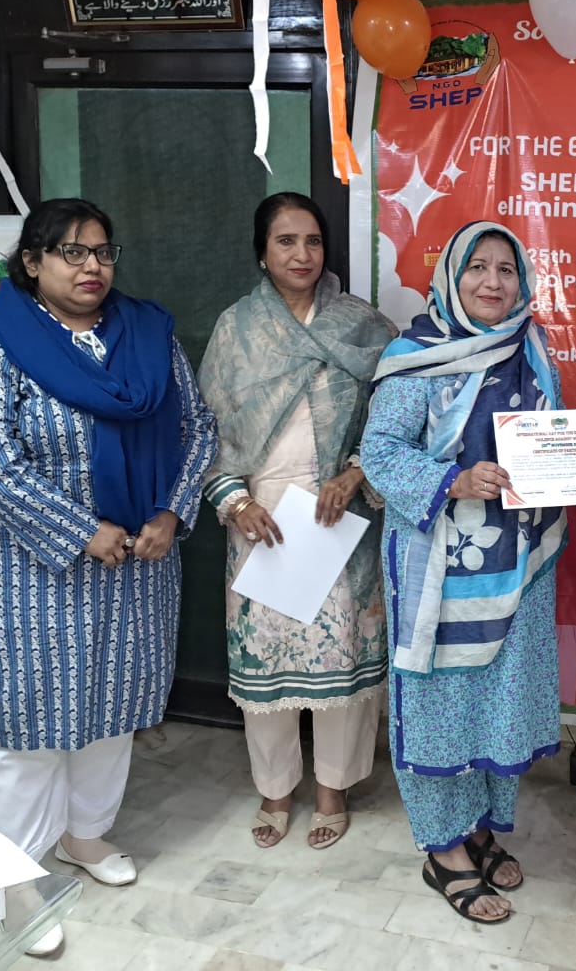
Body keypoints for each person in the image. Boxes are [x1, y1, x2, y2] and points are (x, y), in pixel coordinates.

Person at [0, 199, 217, 957]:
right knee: (28, 722)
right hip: (21, 566)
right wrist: (77, 529)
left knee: (114, 703)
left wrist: (171, 511)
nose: (91, 266)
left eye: (101, 251)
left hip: (136, 559)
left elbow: (197, 429)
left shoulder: (149, 336)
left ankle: (85, 835)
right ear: (31, 263)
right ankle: (15, 879)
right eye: (71, 252)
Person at [359, 220, 568, 925]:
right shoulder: (414, 356)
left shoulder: (531, 346)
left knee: (498, 698)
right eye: (477, 266)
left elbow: (548, 440)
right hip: (439, 569)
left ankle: (481, 826)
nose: (492, 282)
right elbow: (380, 454)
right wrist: (451, 480)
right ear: (451, 275)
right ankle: (444, 850)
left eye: (506, 269)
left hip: (520, 563)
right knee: (441, 701)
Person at [196, 193, 395, 851]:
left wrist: (356, 473)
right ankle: (275, 788)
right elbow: (206, 428)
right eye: (285, 241)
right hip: (263, 517)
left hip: (342, 510)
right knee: (266, 665)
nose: (302, 254)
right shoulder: (237, 329)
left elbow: (397, 416)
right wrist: (236, 501)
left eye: (312, 241)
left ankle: (334, 789)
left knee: (343, 663)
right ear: (262, 251)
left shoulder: (364, 326)